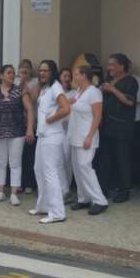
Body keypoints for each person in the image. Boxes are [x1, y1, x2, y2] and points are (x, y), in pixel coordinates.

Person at [0, 64, 34, 205]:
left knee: (15, 163)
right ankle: (0, 192)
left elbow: (30, 110)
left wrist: (29, 128)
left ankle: (14, 193)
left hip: (17, 131)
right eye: (9, 72)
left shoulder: (20, 91)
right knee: (0, 162)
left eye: (13, 73)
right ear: (1, 75)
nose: (12, 75)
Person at [29, 60, 70, 224]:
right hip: (42, 136)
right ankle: (44, 206)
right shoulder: (45, 88)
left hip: (52, 136)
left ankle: (58, 212)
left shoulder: (56, 88)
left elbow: (66, 108)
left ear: (53, 72)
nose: (42, 73)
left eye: (45, 70)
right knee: (38, 169)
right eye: (40, 70)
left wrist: (52, 118)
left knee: (50, 173)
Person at [68, 66, 108, 215]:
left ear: (84, 76)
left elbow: (98, 116)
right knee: (77, 168)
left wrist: (90, 136)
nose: (74, 77)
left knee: (85, 166)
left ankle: (100, 200)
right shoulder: (78, 92)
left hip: (86, 135)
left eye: (76, 74)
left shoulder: (94, 92)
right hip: (74, 135)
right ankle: (83, 197)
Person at [100, 53, 139, 203]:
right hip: (106, 126)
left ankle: (124, 190)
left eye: (112, 64)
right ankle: (105, 188)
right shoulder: (109, 81)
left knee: (122, 159)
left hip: (122, 127)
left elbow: (129, 102)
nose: (109, 67)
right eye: (108, 64)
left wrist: (112, 90)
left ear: (122, 66)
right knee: (105, 159)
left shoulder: (131, 81)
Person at [18, 59, 40, 194]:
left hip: (33, 123)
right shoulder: (15, 82)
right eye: (22, 67)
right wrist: (20, 84)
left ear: (31, 69)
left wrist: (25, 85)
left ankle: (30, 183)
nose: (24, 70)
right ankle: (19, 182)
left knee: (29, 155)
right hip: (18, 123)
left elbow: (33, 99)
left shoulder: (36, 82)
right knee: (18, 155)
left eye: (27, 67)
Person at [58, 68, 76, 201]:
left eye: (69, 76)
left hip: (70, 130)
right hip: (56, 131)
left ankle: (66, 189)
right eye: (64, 75)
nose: (67, 78)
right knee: (58, 160)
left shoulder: (75, 93)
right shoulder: (55, 92)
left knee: (67, 161)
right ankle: (58, 188)